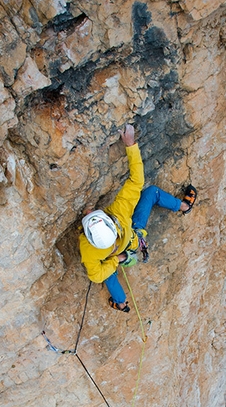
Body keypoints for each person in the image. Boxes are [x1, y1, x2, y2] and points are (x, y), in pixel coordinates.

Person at [79, 124, 197, 312]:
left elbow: (95, 275)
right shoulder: (118, 211)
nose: (89, 212)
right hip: (133, 239)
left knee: (107, 272)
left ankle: (121, 303)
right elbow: (137, 180)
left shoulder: (89, 251)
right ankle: (183, 206)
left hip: (125, 249)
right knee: (151, 192)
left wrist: (115, 260)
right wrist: (130, 145)